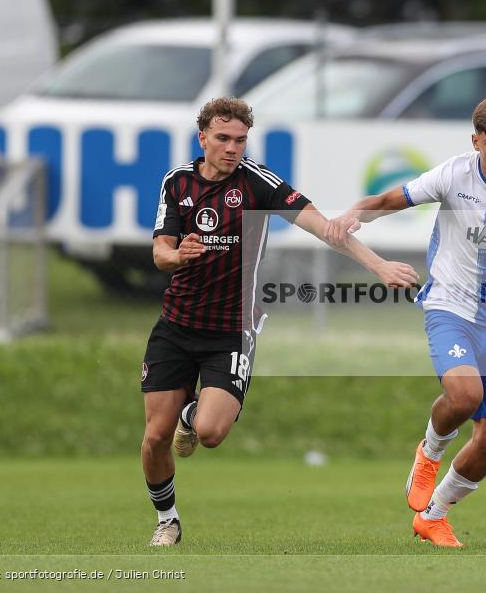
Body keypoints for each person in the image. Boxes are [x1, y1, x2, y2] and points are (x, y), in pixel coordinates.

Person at [140, 97, 418, 546]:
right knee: (154, 437)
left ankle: (189, 417)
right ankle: (167, 520)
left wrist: (379, 266)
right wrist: (179, 255)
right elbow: (160, 252)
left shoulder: (259, 184)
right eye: (223, 138)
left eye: (241, 140)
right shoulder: (178, 183)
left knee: (209, 433)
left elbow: (327, 229)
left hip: (231, 330)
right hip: (175, 324)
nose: (232, 148)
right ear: (203, 138)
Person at [326, 92, 486, 547]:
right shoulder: (453, 173)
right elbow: (391, 199)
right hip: (449, 304)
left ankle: (434, 514)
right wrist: (353, 214)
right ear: (475, 141)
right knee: (465, 394)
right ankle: (428, 453)